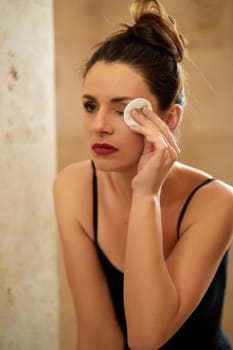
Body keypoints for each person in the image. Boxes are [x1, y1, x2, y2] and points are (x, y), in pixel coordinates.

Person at [53, 0, 233, 349]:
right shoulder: (72, 188)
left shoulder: (217, 202)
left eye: (123, 111)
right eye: (90, 106)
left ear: (168, 120)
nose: (99, 126)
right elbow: (96, 335)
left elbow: (146, 338)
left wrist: (146, 194)